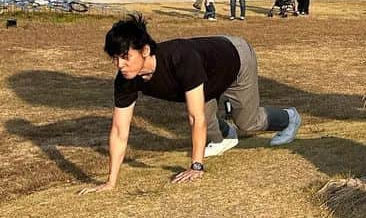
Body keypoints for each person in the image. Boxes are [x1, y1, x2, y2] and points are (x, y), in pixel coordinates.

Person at [83, 15, 302, 192]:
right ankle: (225, 135)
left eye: (125, 57)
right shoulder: (126, 79)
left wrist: (196, 166)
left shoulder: (180, 59)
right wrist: (110, 182)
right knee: (205, 120)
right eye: (114, 58)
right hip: (206, 78)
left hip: (235, 60)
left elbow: (195, 117)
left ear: (145, 50)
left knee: (248, 123)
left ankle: (289, 117)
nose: (119, 64)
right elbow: (120, 130)